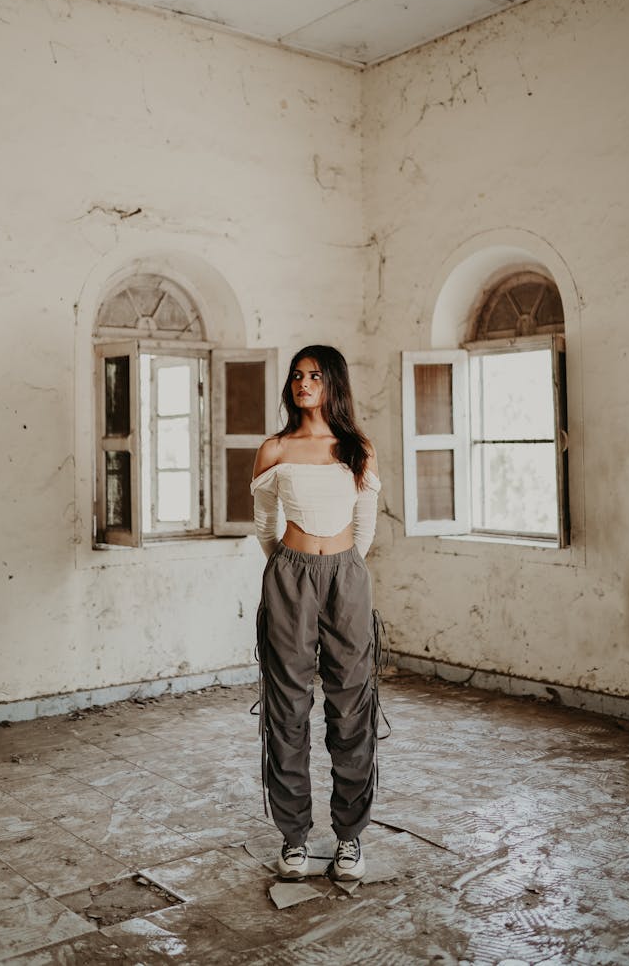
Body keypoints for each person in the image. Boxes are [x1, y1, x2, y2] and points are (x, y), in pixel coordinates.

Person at [251, 344, 383, 883]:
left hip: (347, 577)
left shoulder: (357, 448)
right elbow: (264, 525)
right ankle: (294, 838)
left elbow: (366, 527)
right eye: (297, 376)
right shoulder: (275, 449)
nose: (304, 384)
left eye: (315, 376)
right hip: (289, 574)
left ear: (333, 383)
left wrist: (341, 569)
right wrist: (292, 568)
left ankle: (350, 837)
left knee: (352, 702)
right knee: (287, 705)